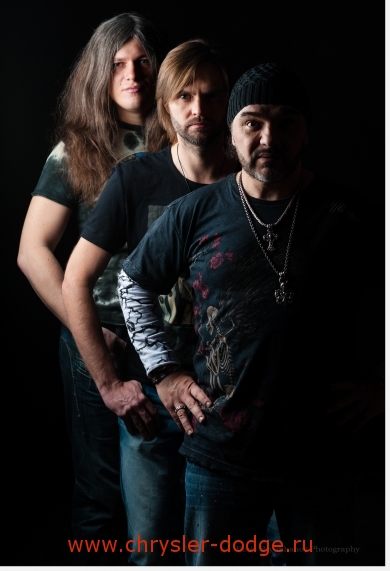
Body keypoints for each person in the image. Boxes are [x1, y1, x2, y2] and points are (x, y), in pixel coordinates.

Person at [118, 62, 385, 566]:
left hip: (323, 460)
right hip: (221, 456)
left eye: (286, 122)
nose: (269, 137)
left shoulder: (349, 215)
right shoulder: (195, 212)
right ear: (232, 132)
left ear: (306, 131)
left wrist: (384, 381)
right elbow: (132, 284)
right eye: (253, 122)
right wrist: (165, 372)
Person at [61, 39, 239, 565]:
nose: (199, 108)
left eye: (211, 95)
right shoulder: (136, 178)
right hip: (152, 408)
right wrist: (110, 386)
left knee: (224, 555)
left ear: (229, 102)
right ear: (165, 106)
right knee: (153, 553)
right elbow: (74, 280)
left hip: (228, 406)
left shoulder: (247, 179)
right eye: (185, 96)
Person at [17, 12, 165, 564]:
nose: (132, 75)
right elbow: (32, 251)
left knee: (165, 494)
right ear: (98, 73)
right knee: (101, 497)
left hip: (172, 343)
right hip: (99, 341)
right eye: (118, 64)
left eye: (143, 62)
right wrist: (88, 334)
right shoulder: (75, 150)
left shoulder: (182, 140)